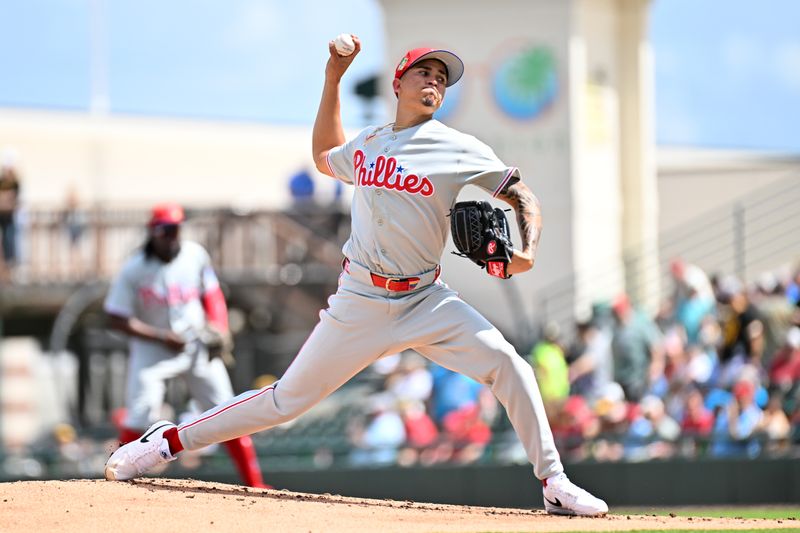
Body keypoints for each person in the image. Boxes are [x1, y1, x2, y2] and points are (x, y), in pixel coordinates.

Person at [105, 39, 607, 516]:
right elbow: (326, 157)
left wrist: (527, 250)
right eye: (424, 72)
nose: (434, 82)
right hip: (361, 299)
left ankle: (554, 483)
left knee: (509, 364)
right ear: (399, 82)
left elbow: (522, 195)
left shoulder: (457, 147)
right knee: (285, 401)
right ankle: (166, 442)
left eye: (442, 78)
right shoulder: (368, 142)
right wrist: (332, 78)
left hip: (425, 299)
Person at [103, 202, 267, 488]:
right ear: (152, 232)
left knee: (228, 411)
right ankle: (119, 475)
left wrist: (219, 327)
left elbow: (213, 295)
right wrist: (159, 336)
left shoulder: (194, 255)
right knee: (139, 414)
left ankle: (255, 483)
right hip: (153, 348)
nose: (172, 236)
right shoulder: (134, 269)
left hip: (195, 344)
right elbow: (116, 318)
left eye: (176, 230)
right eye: (166, 231)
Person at [0, 161, 21, 274]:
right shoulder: (2, 181)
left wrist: (5, 196)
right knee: (3, 242)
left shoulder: (15, 183)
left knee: (11, 241)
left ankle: (10, 267)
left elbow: (14, 196)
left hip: (10, 218)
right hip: (2, 217)